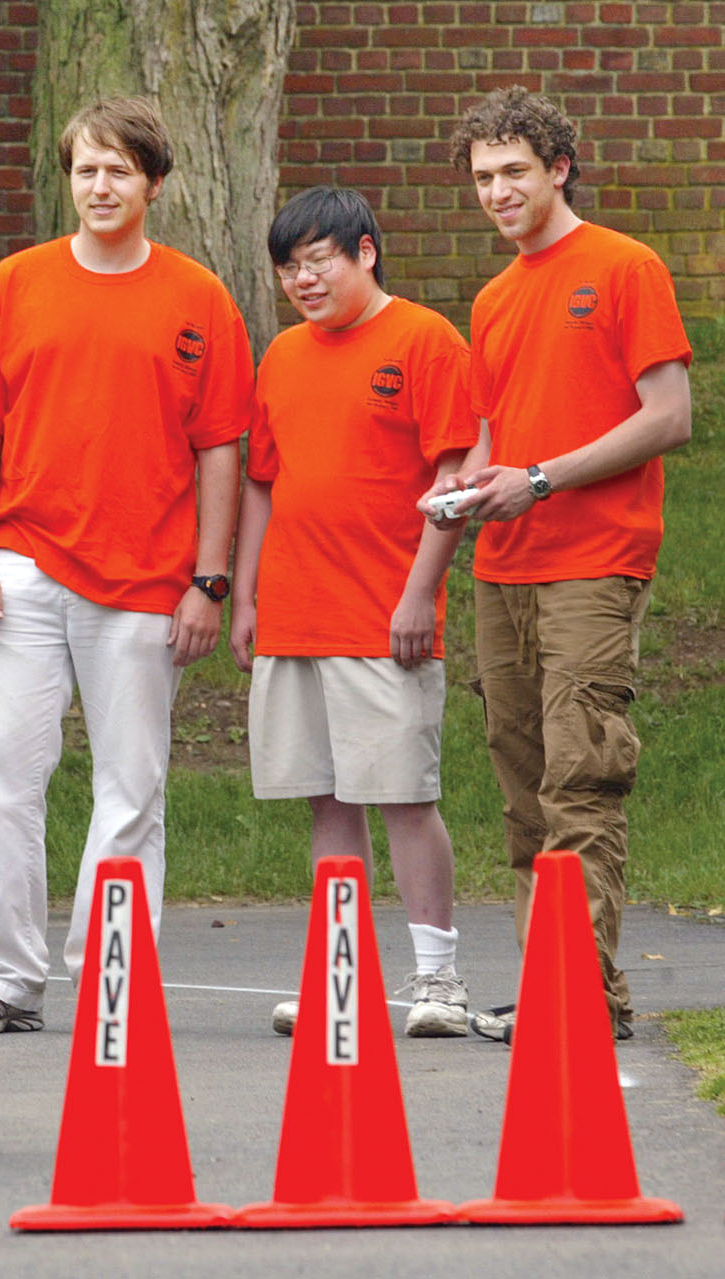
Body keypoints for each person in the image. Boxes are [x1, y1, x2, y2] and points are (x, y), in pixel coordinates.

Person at [0, 96, 256, 1033]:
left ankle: (117, 974)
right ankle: (3, 977)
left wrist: (209, 579)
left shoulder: (199, 299)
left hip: (150, 583)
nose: (100, 185)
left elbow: (221, 451)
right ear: (66, 179)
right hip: (19, 568)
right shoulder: (14, 285)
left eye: (119, 169)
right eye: (85, 168)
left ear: (153, 182)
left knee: (132, 784)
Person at [429, 87, 692, 1042]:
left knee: (581, 777)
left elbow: (669, 416)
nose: (497, 193)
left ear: (558, 170)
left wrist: (536, 480)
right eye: (483, 179)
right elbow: (492, 441)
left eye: (513, 173)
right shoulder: (494, 298)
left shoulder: (625, 266)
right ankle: (563, 988)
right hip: (504, 566)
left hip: (595, 558)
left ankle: (577, 999)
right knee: (525, 787)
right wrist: (460, 491)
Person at [229, 186, 480, 1038]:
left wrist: (420, 592)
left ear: (365, 252)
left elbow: (455, 480)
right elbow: (263, 482)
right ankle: (342, 976)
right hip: (295, 615)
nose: (303, 279)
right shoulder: (282, 356)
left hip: (385, 616)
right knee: (326, 802)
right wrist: (246, 595)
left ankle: (438, 980)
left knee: (405, 797)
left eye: (319, 260)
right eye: (288, 267)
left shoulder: (425, 339)